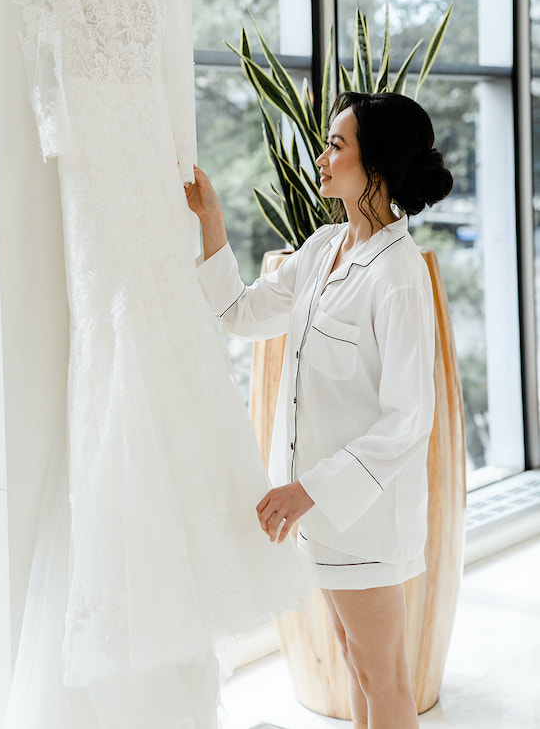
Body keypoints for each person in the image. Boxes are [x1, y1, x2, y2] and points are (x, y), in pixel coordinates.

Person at [185, 90, 453, 729]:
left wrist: (311, 489)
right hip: (320, 517)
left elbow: (409, 418)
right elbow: (240, 315)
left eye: (338, 145)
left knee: (382, 681)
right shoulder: (324, 247)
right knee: (358, 675)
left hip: (362, 518)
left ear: (376, 166)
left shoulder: (399, 276)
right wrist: (212, 221)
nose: (323, 155)